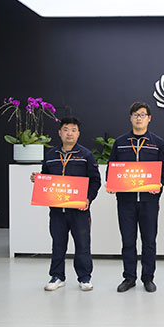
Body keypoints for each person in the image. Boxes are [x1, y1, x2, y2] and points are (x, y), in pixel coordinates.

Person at [30, 117, 101, 292]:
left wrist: (88, 199)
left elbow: (95, 181)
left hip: (79, 210)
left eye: (73, 130)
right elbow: (47, 178)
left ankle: (84, 278)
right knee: (58, 244)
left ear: (78, 134)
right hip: (57, 211)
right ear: (60, 133)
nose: (69, 133)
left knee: (82, 244)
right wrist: (38, 179)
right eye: (66, 129)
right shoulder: (51, 156)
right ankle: (57, 276)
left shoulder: (86, 156)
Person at [107, 102, 164, 293]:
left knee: (149, 241)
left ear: (149, 118)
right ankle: (129, 278)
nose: (139, 118)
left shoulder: (157, 142)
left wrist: (158, 184)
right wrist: (111, 183)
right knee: (128, 240)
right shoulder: (120, 142)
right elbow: (112, 167)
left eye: (142, 115)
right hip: (125, 201)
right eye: (135, 114)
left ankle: (148, 278)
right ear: (130, 118)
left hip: (149, 201)